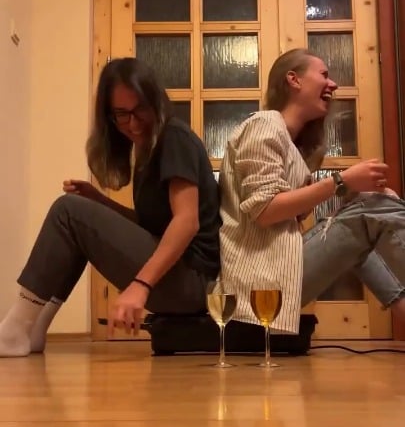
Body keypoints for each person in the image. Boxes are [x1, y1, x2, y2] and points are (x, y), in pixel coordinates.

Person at [0, 58, 221, 356]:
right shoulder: (146, 149)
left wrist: (140, 285)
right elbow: (150, 227)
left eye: (140, 109)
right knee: (76, 214)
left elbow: (186, 221)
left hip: (193, 282)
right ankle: (34, 328)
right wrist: (98, 201)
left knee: (67, 211)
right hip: (180, 278)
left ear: (155, 101)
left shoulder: (174, 137)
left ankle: (16, 329)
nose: (133, 123)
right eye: (121, 114)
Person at [219, 48, 405, 333]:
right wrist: (341, 182)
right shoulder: (264, 125)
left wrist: (350, 195)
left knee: (372, 207)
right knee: (371, 211)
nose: (333, 84)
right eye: (324, 75)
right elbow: (265, 211)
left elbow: (286, 216)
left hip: (277, 268)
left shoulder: (293, 146)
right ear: (294, 80)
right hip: (258, 280)